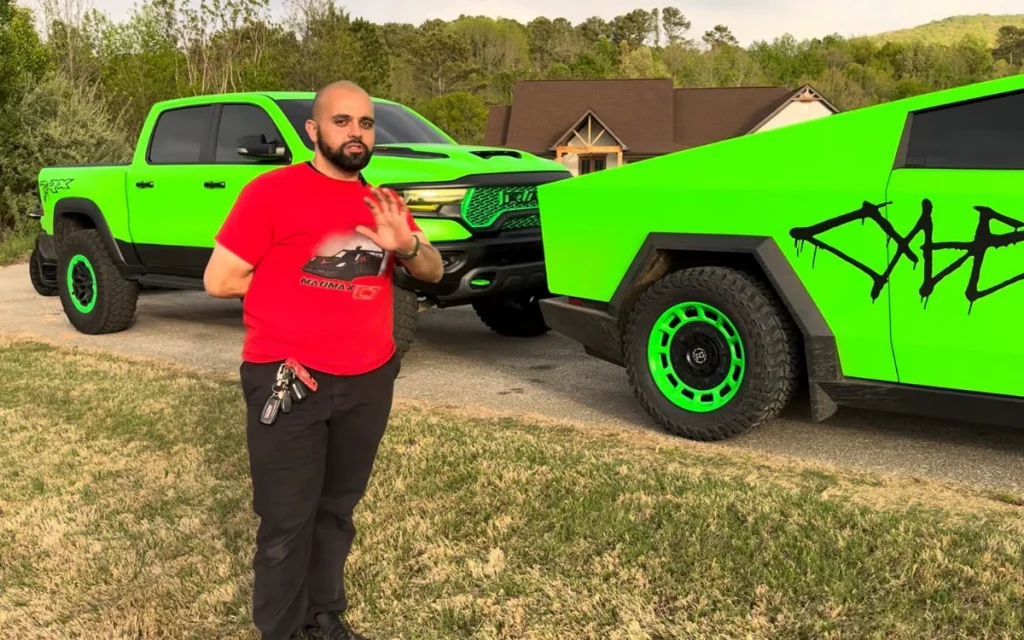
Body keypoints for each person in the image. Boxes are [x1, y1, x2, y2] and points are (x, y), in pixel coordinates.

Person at [203, 80, 444, 640]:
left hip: (368, 379)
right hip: (290, 379)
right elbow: (221, 278)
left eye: (364, 123)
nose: (355, 133)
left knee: (337, 511)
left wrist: (405, 245)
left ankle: (322, 620)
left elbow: (430, 269)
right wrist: (294, 303)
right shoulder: (271, 192)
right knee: (287, 523)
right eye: (341, 122)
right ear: (314, 131)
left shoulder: (384, 202)